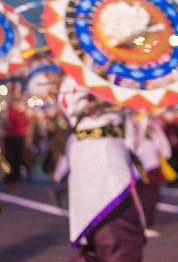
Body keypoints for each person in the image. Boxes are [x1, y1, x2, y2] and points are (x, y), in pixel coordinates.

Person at [57, 75, 146, 262]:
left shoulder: (120, 74)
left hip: (111, 154)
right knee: (119, 235)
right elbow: (69, 103)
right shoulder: (76, 76)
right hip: (99, 158)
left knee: (104, 237)